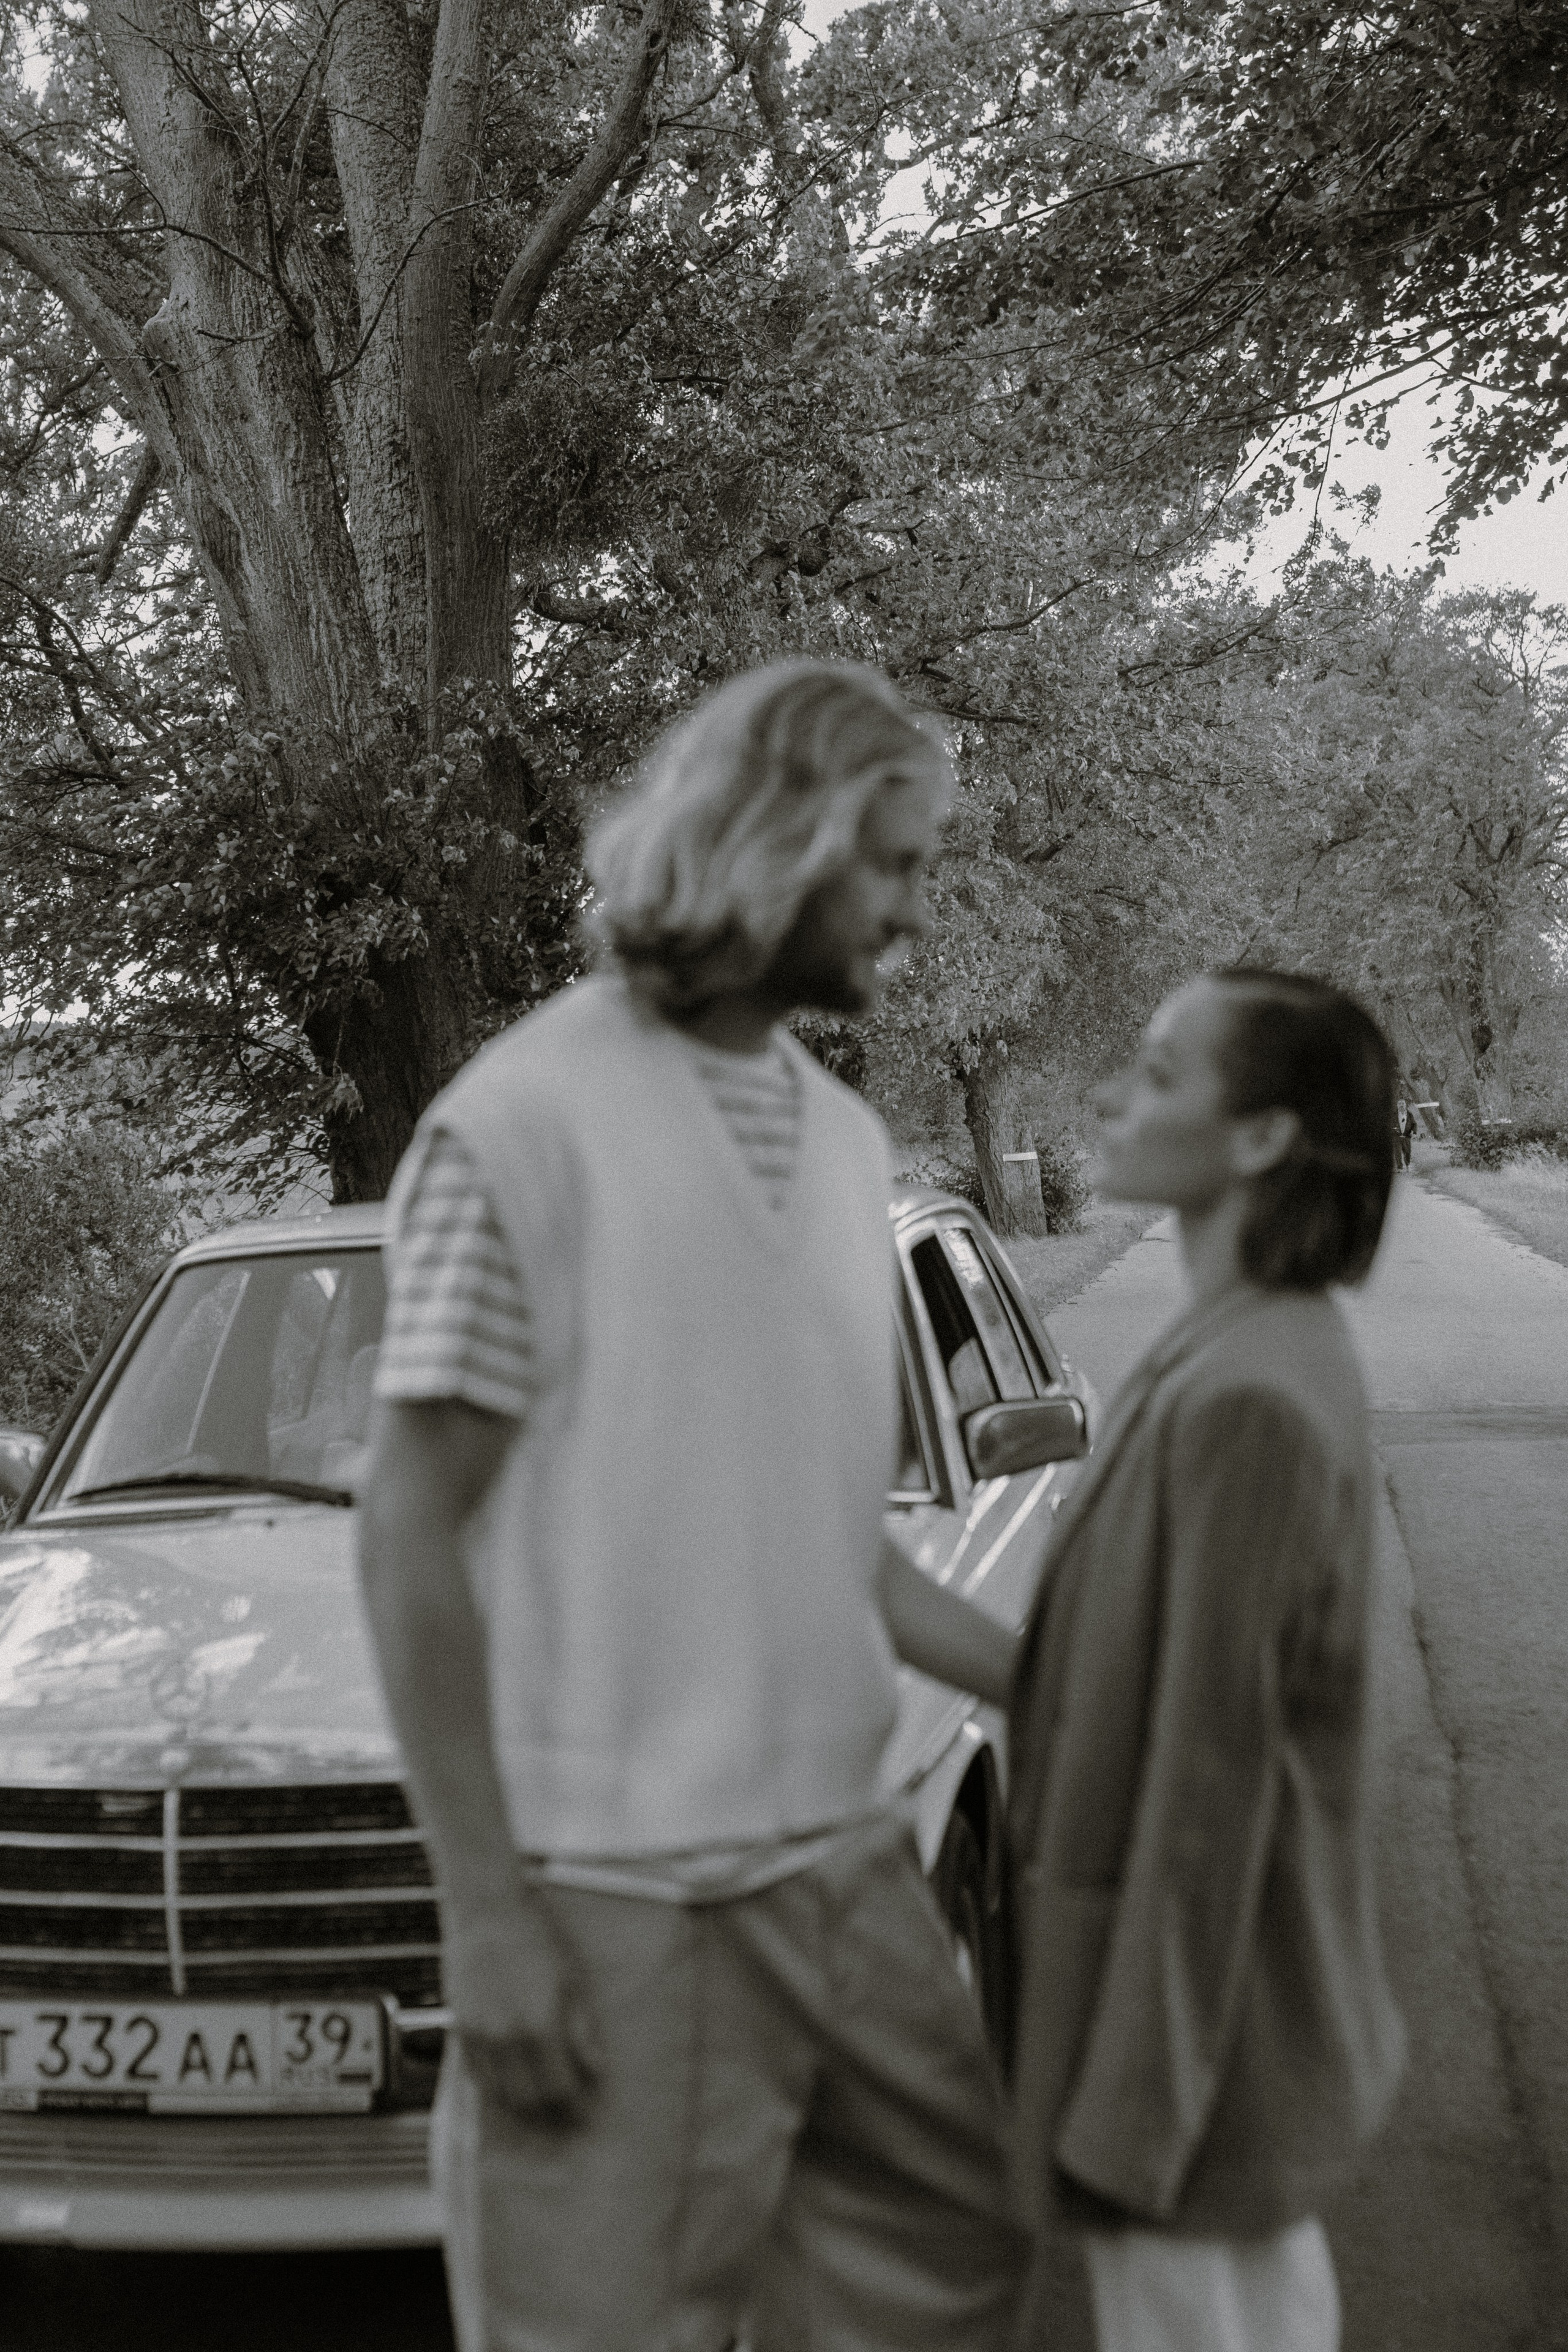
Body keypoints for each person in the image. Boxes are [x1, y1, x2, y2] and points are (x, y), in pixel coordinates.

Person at [358, 658, 1029, 2352]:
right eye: (893, 862)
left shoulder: (847, 1146)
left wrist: (1065, 1679)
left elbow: (838, 1550)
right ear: (777, 836)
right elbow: (410, 1531)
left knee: (957, 2281)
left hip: (850, 1877)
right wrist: (485, 1915)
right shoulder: (519, 1126)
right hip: (616, 1907)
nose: (913, 909)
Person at [1006, 968, 1408, 2352]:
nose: (1112, 1096)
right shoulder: (1229, 1343)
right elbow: (1114, 1691)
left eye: (1162, 1072)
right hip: (1200, 2055)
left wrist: (1129, 2119)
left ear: (1262, 1136)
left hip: (1204, 2069)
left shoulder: (1250, 1396)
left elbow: (1204, 1798)